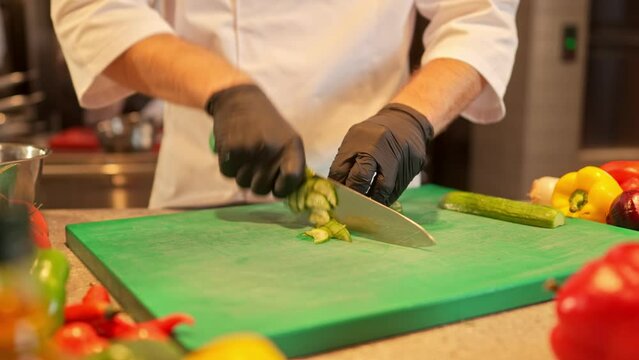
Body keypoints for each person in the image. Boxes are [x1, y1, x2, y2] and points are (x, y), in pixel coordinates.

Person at [51, 1, 519, 209]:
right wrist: (226, 91)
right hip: (205, 194)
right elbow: (95, 9)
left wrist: (411, 117)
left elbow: (479, 16)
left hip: (380, 187)